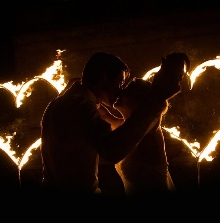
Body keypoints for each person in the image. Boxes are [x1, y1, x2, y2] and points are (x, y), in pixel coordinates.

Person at [40, 51, 190, 196]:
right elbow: (111, 150)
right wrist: (157, 95)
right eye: (120, 82)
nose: (120, 90)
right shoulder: (81, 105)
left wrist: (158, 95)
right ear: (105, 78)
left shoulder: (61, 102)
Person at [110, 77, 176, 196]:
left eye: (127, 90)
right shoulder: (126, 127)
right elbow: (101, 113)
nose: (121, 91)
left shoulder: (149, 134)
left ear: (139, 103)